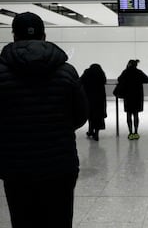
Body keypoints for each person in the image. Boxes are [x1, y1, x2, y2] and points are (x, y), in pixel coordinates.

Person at [0, 12, 88, 228]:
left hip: (16, 167)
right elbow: (80, 116)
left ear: (14, 36)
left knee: (23, 221)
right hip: (60, 165)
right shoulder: (66, 71)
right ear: (44, 35)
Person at [117, 59, 148, 140]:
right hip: (137, 96)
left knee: (128, 114)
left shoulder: (125, 72)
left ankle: (130, 132)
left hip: (128, 96)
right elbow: (147, 80)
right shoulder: (139, 72)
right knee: (136, 114)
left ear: (129, 64)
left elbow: (119, 79)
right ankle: (136, 132)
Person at [81, 63, 107, 141]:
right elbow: (104, 81)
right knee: (98, 116)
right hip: (99, 99)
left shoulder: (87, 72)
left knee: (90, 115)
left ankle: (90, 130)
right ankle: (96, 133)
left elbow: (81, 80)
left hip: (89, 98)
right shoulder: (101, 74)